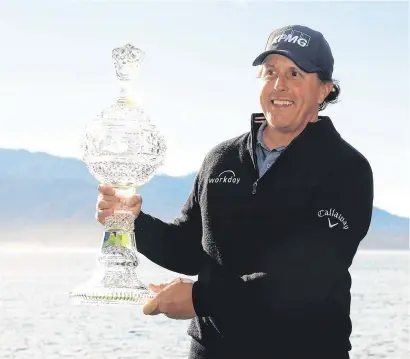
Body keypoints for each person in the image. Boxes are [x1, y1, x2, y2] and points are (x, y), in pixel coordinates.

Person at [96, 25, 374, 359]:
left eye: (295, 73)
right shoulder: (222, 158)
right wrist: (133, 222)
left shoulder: (346, 169)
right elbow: (189, 248)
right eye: (270, 72)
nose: (279, 84)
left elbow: (308, 279)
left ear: (324, 90)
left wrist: (200, 298)